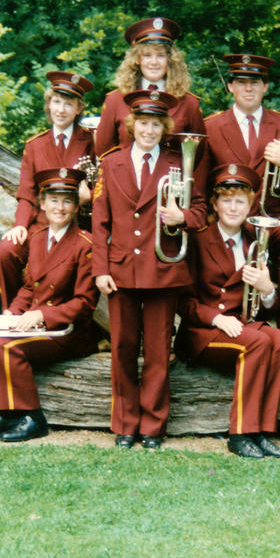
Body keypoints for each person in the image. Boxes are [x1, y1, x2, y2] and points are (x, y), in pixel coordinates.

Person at [91, 89, 207, 449]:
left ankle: (152, 427)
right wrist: (100, 269)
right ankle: (125, 424)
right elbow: (100, 223)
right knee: (123, 347)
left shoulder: (178, 163)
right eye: (143, 123)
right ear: (131, 126)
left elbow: (201, 210)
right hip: (121, 270)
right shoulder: (111, 163)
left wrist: (181, 216)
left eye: (156, 125)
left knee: (158, 351)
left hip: (164, 270)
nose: (149, 130)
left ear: (164, 128)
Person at [0, 168, 99, 442]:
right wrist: (12, 313)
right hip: (38, 325)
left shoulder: (86, 244)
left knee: (5, 346)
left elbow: (85, 303)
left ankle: (33, 417)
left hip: (68, 332)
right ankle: (3, 412)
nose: (59, 207)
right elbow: (30, 286)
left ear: (76, 206)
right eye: (53, 200)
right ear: (42, 203)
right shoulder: (37, 238)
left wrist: (42, 314)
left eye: (66, 201)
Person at [176, 164, 280, 459]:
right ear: (215, 204)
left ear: (250, 204)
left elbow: (267, 306)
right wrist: (216, 318)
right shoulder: (198, 240)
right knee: (258, 342)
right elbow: (181, 300)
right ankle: (240, 433)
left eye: (240, 201)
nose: (233, 207)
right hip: (203, 331)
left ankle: (262, 431)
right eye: (226, 200)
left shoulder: (255, 242)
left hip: (243, 325)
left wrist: (268, 289)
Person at [204, 53, 280, 354]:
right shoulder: (212, 126)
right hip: (227, 220)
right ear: (230, 86)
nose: (248, 88)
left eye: (255, 82)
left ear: (266, 87)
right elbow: (202, 182)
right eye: (241, 82)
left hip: (270, 220)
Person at [0, 70, 96, 310]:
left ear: (79, 108)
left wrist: (89, 198)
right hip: (42, 227)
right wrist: (20, 225)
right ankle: (12, 314)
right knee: (5, 252)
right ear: (48, 104)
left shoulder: (93, 141)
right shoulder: (35, 145)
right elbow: (27, 193)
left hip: (78, 228)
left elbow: (104, 185)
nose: (61, 109)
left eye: (68, 104)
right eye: (56, 102)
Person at [95, 17, 205, 157]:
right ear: (137, 60)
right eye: (147, 55)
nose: (154, 62)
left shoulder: (189, 103)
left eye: (160, 56)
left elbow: (200, 157)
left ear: (170, 60)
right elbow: (103, 152)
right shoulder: (115, 100)